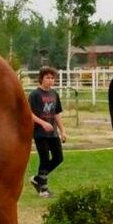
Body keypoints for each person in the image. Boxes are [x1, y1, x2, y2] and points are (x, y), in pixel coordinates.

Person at [28, 66, 67, 198]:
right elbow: (29, 114)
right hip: (40, 132)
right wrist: (43, 123)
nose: (51, 80)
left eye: (52, 78)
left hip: (53, 133)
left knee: (58, 158)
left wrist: (63, 131)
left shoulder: (54, 94)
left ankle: (38, 179)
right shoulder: (35, 95)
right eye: (48, 78)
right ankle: (43, 189)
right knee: (44, 159)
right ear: (41, 79)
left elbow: (56, 113)